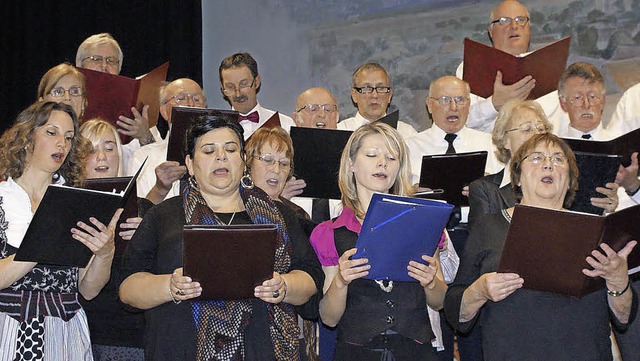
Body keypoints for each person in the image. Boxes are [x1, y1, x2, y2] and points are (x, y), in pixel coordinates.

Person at [119, 114, 323, 360]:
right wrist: (169, 286)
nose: (221, 156)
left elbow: (311, 277)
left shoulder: (278, 214)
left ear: (243, 160)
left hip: (263, 350)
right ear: (190, 163)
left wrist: (284, 286)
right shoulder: (163, 216)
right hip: (179, 350)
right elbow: (128, 289)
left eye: (231, 149)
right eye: (208, 151)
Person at [444, 132, 637, 360]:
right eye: (536, 158)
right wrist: (480, 290)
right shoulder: (490, 226)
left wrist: (618, 281)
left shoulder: (596, 231)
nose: (548, 165)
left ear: (570, 180)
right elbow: (456, 313)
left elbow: (624, 319)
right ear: (517, 177)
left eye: (558, 159)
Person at [310, 122, 447, 360]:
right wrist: (341, 282)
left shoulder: (423, 222)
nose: (382, 162)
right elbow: (329, 318)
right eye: (372, 155)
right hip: (356, 351)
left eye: (392, 158)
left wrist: (430, 283)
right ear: (351, 164)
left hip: (416, 350)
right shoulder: (329, 232)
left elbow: (440, 302)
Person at [0, 101, 122, 359]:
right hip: (10, 329)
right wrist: (45, 237)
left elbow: (87, 289)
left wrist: (105, 252)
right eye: (52, 132)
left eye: (68, 138)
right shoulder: (2, 198)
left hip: (66, 333)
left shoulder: (75, 200)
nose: (62, 144)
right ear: (26, 137)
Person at [405, 75, 502, 361]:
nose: (453, 107)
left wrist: (485, 186)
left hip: (477, 238)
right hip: (433, 242)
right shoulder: (411, 146)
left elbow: (508, 193)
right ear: (430, 105)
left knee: (477, 320)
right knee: (439, 322)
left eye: (460, 100)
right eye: (445, 100)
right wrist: (411, 191)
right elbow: (396, 193)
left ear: (469, 104)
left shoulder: (491, 144)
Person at [468, 99, 619, 232]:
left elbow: (580, 230)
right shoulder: (485, 189)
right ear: (505, 140)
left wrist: (605, 209)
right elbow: (481, 240)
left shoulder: (562, 182)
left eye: (541, 129)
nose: (536, 135)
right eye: (526, 129)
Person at [79, 119, 145, 360]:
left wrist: (147, 239)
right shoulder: (67, 207)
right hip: (91, 332)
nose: (102, 157)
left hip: (140, 332)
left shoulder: (143, 208)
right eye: (91, 149)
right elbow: (83, 289)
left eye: (109, 148)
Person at [458, 0, 565, 133]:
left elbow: (562, 122)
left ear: (529, 28)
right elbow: (460, 122)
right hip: (493, 151)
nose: (514, 26)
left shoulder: (550, 66)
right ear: (491, 30)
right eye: (504, 20)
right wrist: (494, 104)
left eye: (520, 20)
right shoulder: (471, 67)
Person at [76, 33, 158, 166]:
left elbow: (157, 162)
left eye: (111, 61)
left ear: (119, 68)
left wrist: (145, 136)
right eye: (96, 59)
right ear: (80, 65)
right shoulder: (69, 99)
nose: (104, 65)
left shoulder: (135, 103)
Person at [126, 78, 206, 203]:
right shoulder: (143, 157)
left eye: (196, 99)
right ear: (164, 111)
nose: (190, 104)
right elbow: (138, 217)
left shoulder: (220, 156)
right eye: (181, 98)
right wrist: (160, 189)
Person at [219, 52, 295, 139]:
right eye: (230, 87)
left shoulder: (285, 125)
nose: (238, 94)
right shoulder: (215, 130)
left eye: (243, 84)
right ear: (222, 87)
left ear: (257, 82)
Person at [338, 63, 417, 137]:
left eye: (381, 88)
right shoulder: (339, 131)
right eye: (367, 88)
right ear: (354, 95)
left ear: (389, 96)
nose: (374, 95)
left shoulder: (406, 134)